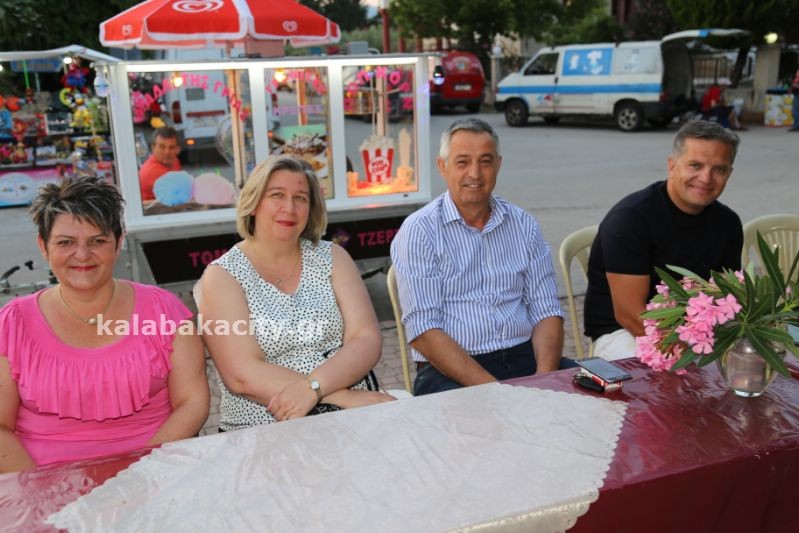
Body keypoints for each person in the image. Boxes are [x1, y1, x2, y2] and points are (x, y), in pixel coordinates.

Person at [0, 176, 209, 473]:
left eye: (97, 241)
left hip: (153, 476)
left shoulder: (164, 311)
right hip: (41, 483)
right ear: (43, 247)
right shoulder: (12, 323)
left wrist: (141, 477)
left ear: (118, 242)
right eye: (65, 242)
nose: (82, 255)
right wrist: (40, 489)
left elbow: (193, 403)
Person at [198, 155, 393, 430]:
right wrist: (332, 394)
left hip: (354, 416)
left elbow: (366, 338)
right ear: (253, 203)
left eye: (300, 198)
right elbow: (241, 374)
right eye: (277, 195)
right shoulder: (223, 275)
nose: (289, 208)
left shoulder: (333, 258)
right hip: (264, 426)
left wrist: (315, 388)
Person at [390, 118, 572, 396]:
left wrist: (543, 379)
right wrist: (497, 392)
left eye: (485, 162)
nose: (475, 173)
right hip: (450, 369)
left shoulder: (523, 224)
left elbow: (546, 310)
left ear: (498, 165)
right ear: (443, 166)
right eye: (462, 162)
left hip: (525, 356)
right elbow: (424, 331)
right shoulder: (419, 231)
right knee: (487, 418)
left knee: (595, 398)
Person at [584, 120, 743, 360]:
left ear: (729, 173)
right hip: (623, 332)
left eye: (719, 169)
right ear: (672, 165)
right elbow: (629, 315)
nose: (706, 178)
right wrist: (688, 354)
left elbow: (725, 296)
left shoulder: (728, 223)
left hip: (697, 332)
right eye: (695, 165)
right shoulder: (630, 219)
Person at [139, 126, 182, 202]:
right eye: (162, 147)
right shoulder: (152, 171)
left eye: (171, 147)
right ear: (153, 147)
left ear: (178, 149)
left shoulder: (175, 161)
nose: (167, 152)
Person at [789, 62, 799, 132]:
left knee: (795, 111)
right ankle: (796, 125)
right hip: (796, 94)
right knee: (795, 111)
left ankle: (796, 126)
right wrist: (790, 90)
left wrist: (797, 86)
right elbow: (793, 84)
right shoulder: (796, 79)